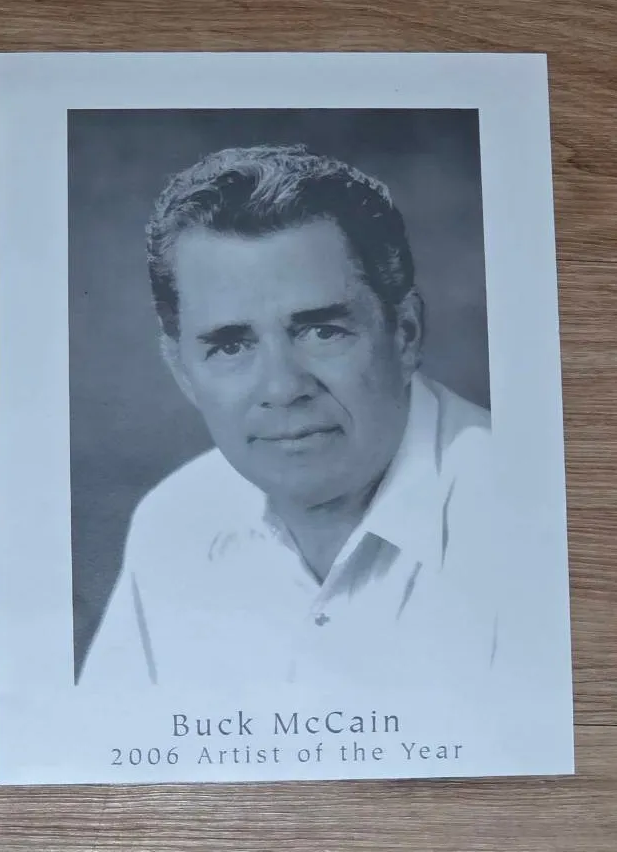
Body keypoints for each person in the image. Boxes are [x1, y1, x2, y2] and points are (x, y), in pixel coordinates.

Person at [81, 144, 500, 694]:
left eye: (323, 331)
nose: (282, 388)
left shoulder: (525, 520)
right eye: (231, 346)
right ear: (183, 371)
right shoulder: (174, 521)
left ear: (405, 334)